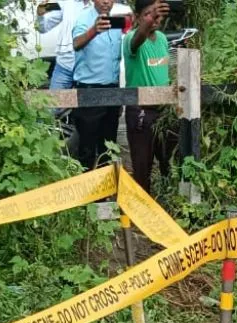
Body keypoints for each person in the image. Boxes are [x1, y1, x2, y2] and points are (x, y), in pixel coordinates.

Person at [122, 0, 174, 193]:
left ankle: (168, 203)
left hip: (164, 111)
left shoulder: (161, 38)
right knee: (142, 167)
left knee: (168, 161)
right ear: (136, 18)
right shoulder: (131, 40)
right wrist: (149, 19)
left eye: (157, 14)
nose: (154, 19)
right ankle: (142, 213)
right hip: (141, 112)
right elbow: (139, 37)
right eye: (148, 14)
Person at [71, 0, 124, 170]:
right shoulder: (83, 19)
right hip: (89, 91)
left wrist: (119, 97)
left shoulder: (116, 21)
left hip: (112, 91)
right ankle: (86, 194)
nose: (106, 1)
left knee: (108, 148)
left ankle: (105, 194)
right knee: (86, 149)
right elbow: (76, 43)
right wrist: (94, 30)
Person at [37, 0, 91, 95]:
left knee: (88, 107)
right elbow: (43, 28)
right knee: (54, 106)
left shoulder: (102, 4)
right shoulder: (66, 3)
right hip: (65, 66)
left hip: (89, 68)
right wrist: (40, 15)